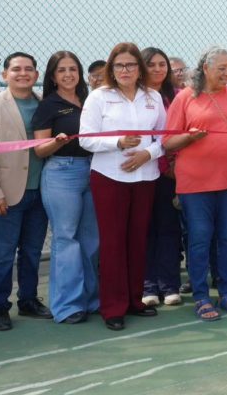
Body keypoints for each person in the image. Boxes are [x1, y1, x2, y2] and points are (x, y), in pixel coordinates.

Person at [163, 46, 227, 322]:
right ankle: (201, 296)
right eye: (222, 69)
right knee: (200, 237)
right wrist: (189, 138)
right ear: (205, 68)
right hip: (196, 184)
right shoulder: (185, 98)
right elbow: (168, 142)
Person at [79, 42, 166, 331]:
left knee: (138, 239)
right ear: (111, 69)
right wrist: (116, 143)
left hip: (145, 177)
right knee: (113, 243)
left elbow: (163, 138)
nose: (125, 70)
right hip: (109, 178)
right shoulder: (98, 98)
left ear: (139, 69)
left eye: (130, 65)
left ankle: (134, 301)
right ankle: (113, 308)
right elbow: (85, 139)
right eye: (119, 66)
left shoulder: (152, 96)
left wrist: (146, 154)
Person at [32, 51, 97, 324]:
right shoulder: (49, 105)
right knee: (66, 239)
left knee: (91, 239)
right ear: (53, 76)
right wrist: (57, 142)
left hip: (93, 170)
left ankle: (91, 300)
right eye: (62, 70)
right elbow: (39, 150)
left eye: (73, 69)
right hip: (62, 172)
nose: (68, 74)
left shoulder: (90, 100)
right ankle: (68, 306)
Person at [0, 52, 51, 332]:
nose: (23, 74)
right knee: (3, 253)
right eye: (16, 69)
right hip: (8, 193)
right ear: (5, 75)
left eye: (29, 69)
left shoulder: (44, 104)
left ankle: (28, 299)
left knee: (31, 251)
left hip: (40, 192)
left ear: (37, 76)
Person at [140, 47, 183, 307]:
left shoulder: (177, 96)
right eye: (152, 65)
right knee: (145, 230)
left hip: (170, 174)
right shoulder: (133, 98)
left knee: (169, 230)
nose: (158, 69)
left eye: (162, 64)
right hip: (141, 173)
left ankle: (170, 286)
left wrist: (174, 164)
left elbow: (180, 134)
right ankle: (148, 286)